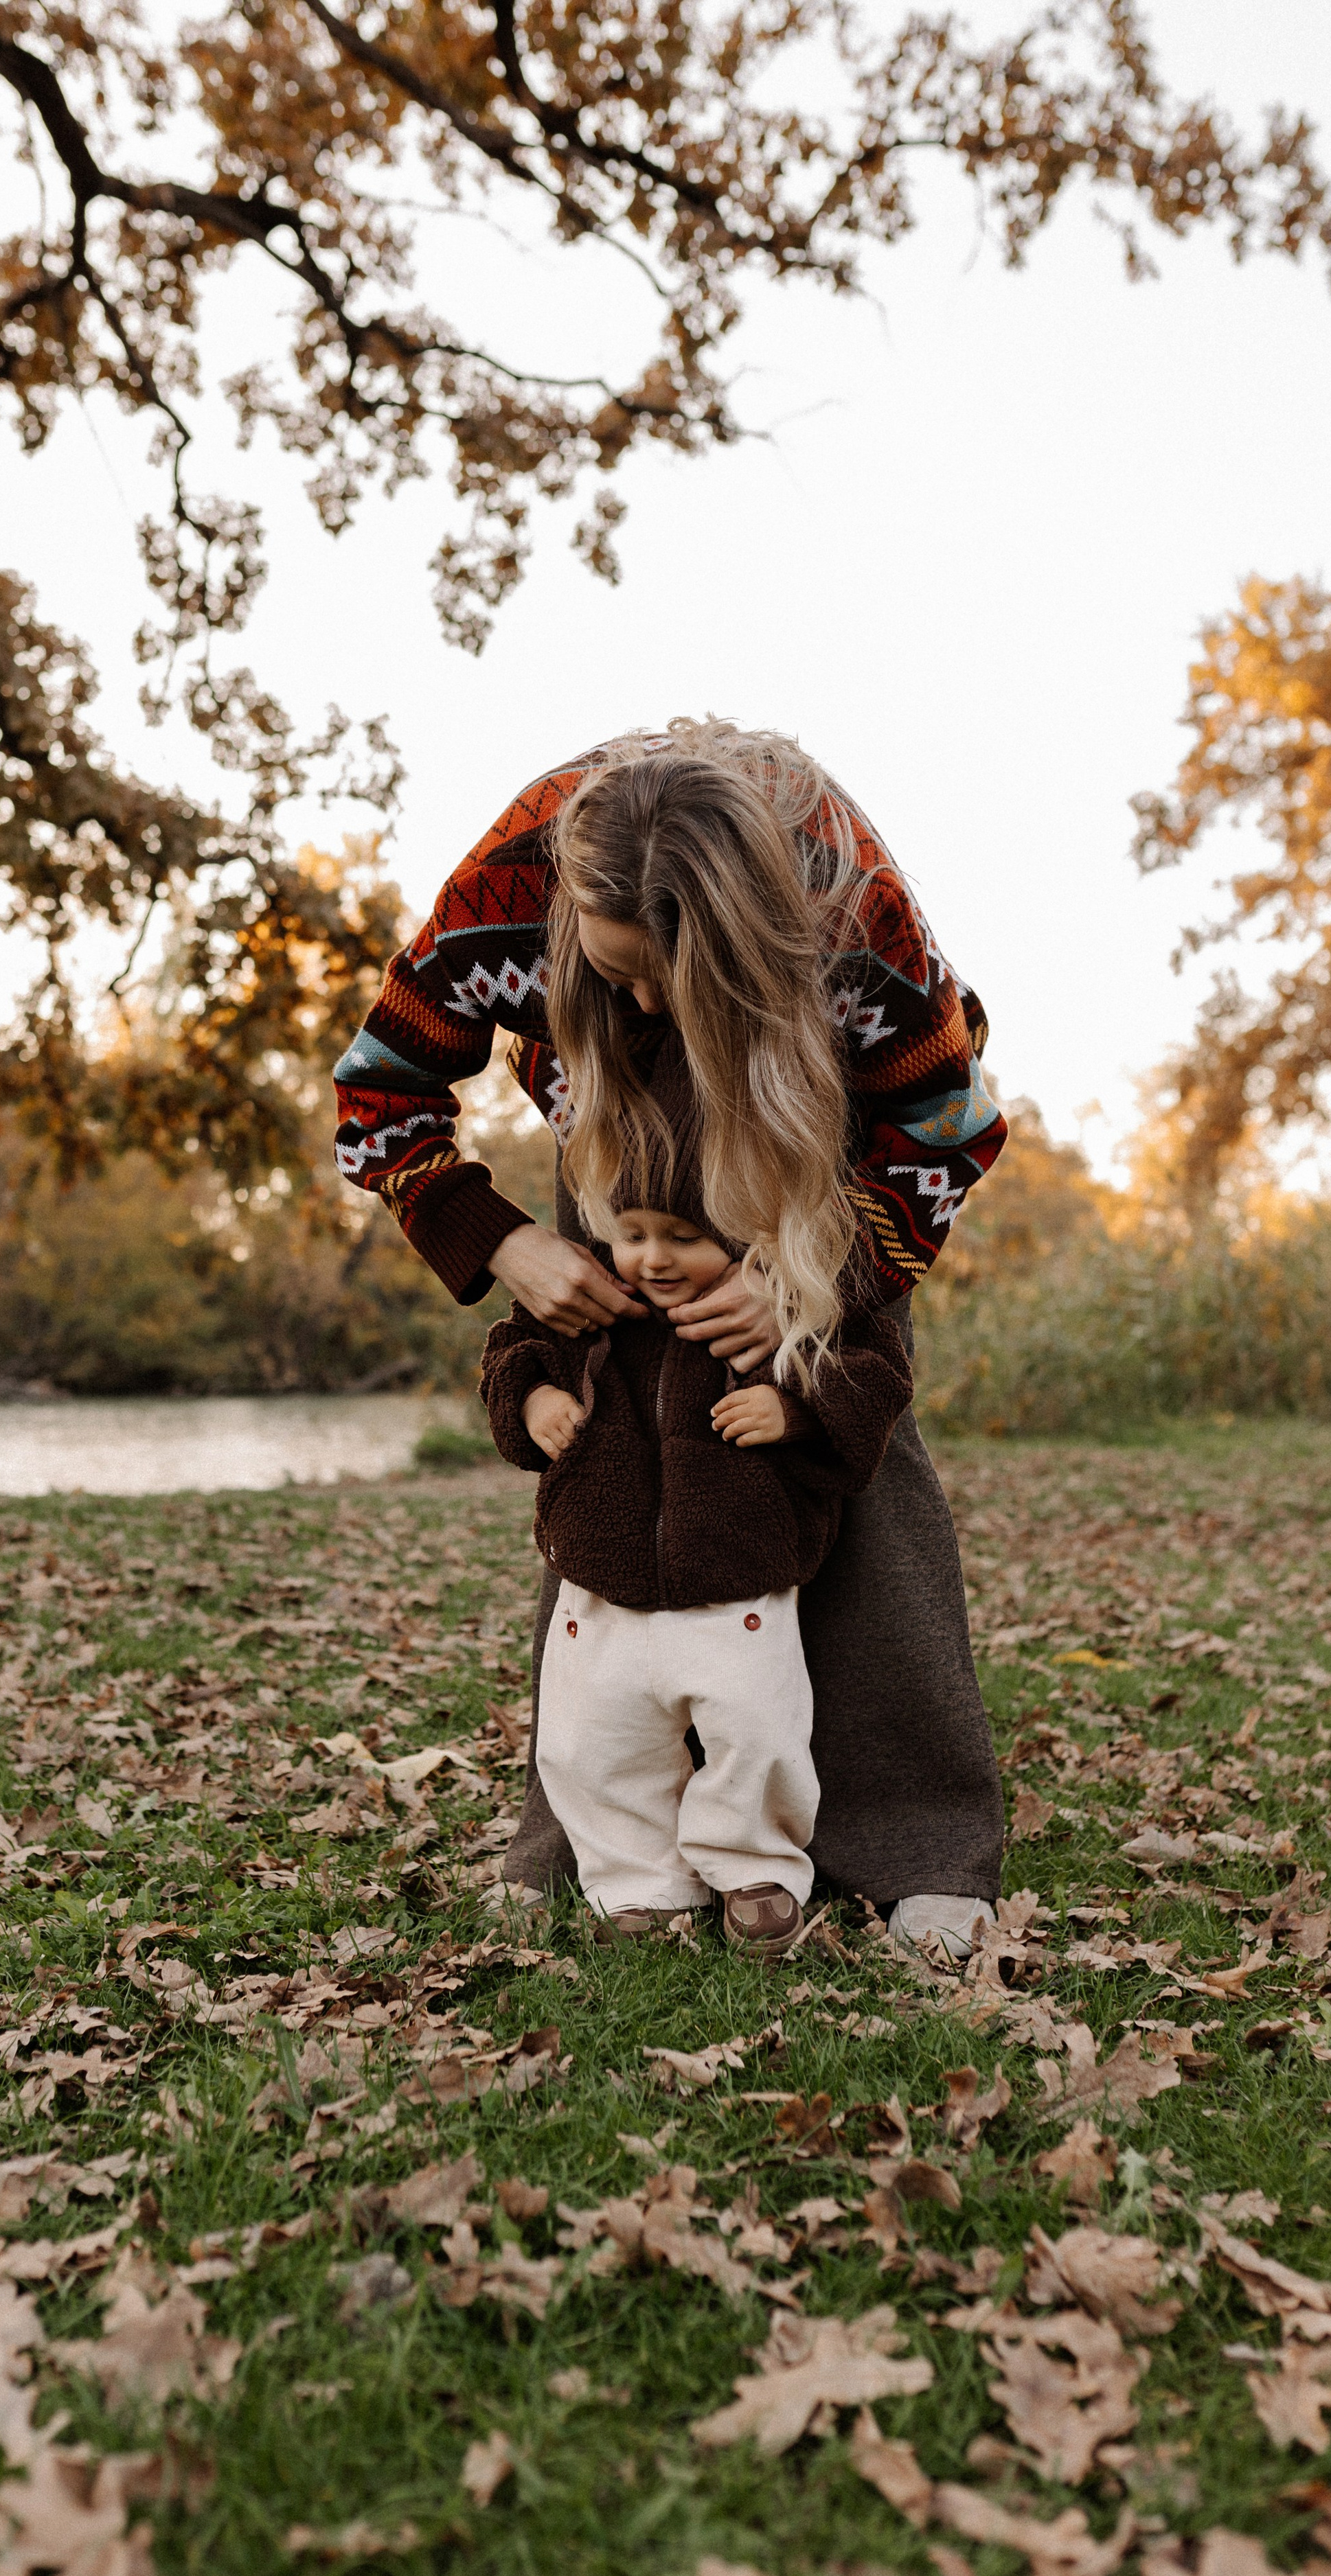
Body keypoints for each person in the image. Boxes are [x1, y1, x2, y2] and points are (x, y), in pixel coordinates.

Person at [334, 719, 1007, 1960]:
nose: (645, 1001)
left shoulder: (851, 918)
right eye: (615, 971)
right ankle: (589, 1843)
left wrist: (814, 1281)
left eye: (666, 980)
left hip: (809, 1134)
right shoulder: (503, 896)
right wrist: (504, 1243)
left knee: (846, 1438)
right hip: (608, 1128)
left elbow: (951, 1128)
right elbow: (378, 1093)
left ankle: (918, 1846)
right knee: (608, 1441)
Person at [479, 1028, 914, 1957]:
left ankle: (756, 1869)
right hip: (601, 1578)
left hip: (739, 1578)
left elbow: (874, 1377)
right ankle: (638, 1884)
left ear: (742, 1230)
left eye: (685, 1237)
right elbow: (511, 1354)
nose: (653, 1258)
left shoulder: (779, 1303)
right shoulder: (589, 1296)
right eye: (633, 1234)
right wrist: (537, 1401)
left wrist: (794, 1411)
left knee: (758, 1733)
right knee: (592, 1744)